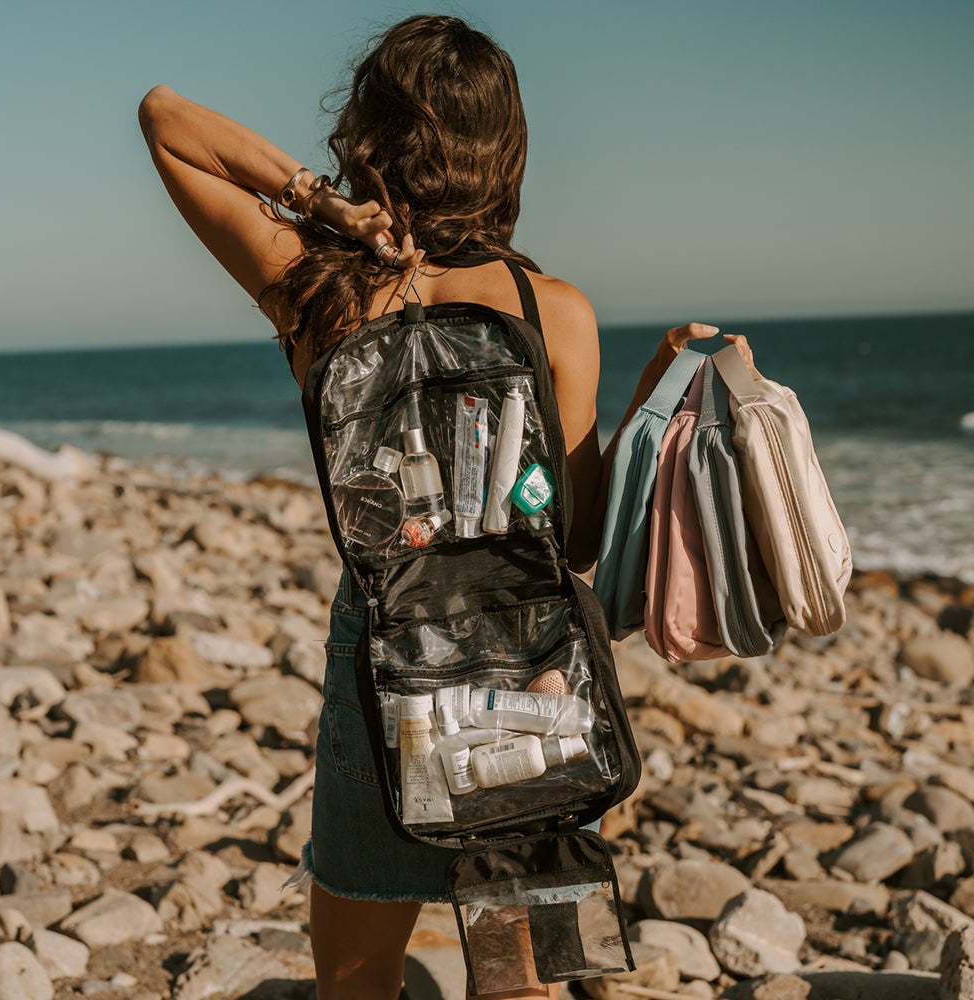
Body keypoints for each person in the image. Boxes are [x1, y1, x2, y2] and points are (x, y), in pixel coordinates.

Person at [139, 15, 751, 999]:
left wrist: (322, 207)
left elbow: (165, 119)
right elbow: (577, 539)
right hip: (530, 674)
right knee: (517, 982)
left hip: (383, 667)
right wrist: (643, 403)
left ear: (369, 135)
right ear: (504, 152)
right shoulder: (553, 308)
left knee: (356, 976)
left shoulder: (322, 289)